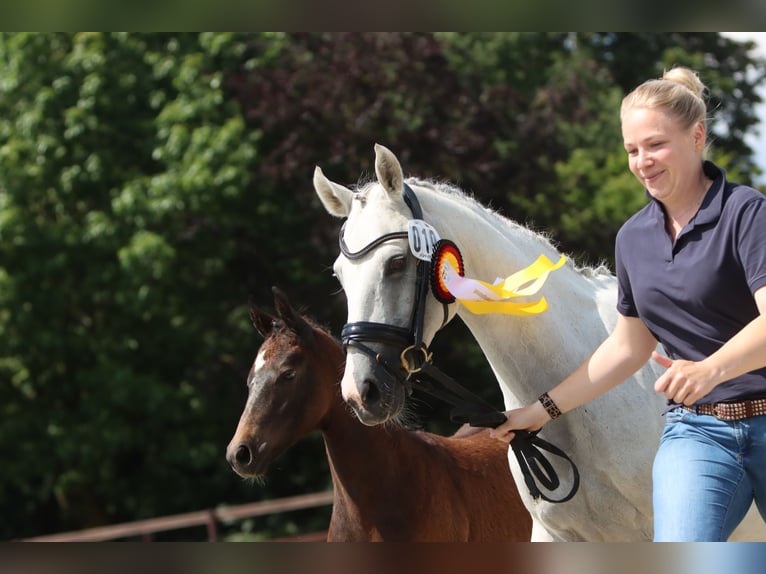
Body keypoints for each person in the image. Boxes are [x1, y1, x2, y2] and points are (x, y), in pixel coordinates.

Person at [490, 66, 766, 542]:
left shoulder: (746, 213)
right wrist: (540, 410)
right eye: (632, 150)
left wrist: (710, 369)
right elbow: (627, 348)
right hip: (698, 433)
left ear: (697, 136)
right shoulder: (633, 238)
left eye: (655, 145)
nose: (643, 162)